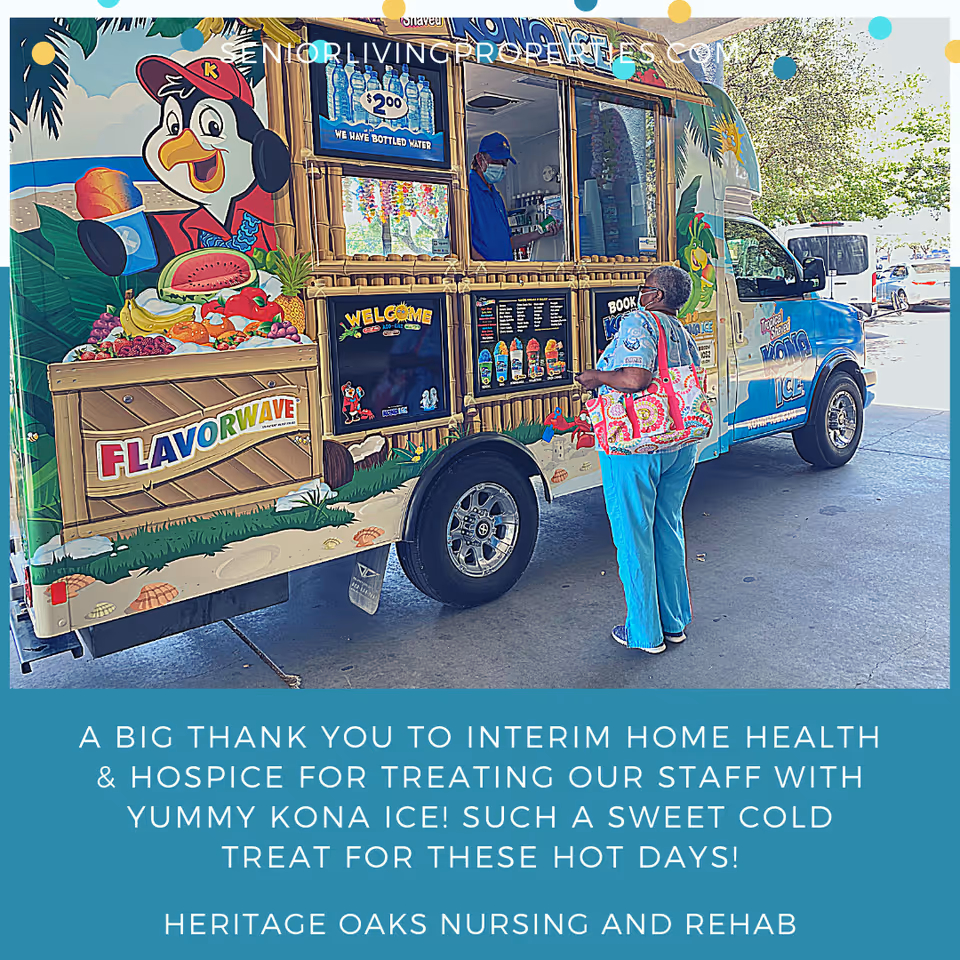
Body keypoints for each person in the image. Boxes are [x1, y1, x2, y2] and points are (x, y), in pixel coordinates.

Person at [575, 265, 702, 654]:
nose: (640, 292)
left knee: (633, 536)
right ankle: (674, 622)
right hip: (680, 443)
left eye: (644, 287)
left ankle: (645, 633)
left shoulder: (640, 321)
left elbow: (635, 378)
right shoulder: (681, 330)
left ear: (657, 296)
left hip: (635, 444)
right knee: (667, 527)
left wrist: (596, 377)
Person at [468, 131, 560, 261]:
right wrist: (484, 270)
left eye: (504, 163)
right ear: (479, 159)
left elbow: (508, 243)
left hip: (502, 274)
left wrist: (539, 233)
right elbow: (458, 241)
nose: (500, 166)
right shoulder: (467, 190)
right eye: (495, 161)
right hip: (483, 277)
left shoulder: (495, 196)